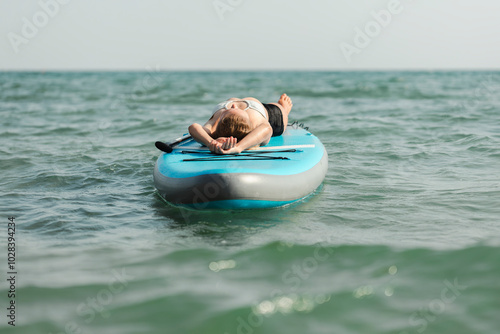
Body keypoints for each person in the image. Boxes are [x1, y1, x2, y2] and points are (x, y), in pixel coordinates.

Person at [188, 94, 293, 154]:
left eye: (228, 110)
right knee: (280, 114)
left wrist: (211, 142)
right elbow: (268, 128)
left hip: (241, 105)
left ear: (221, 119)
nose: (233, 105)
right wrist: (238, 147)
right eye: (233, 108)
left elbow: (193, 127)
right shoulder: (256, 121)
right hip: (261, 110)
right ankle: (283, 108)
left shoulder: (214, 126)